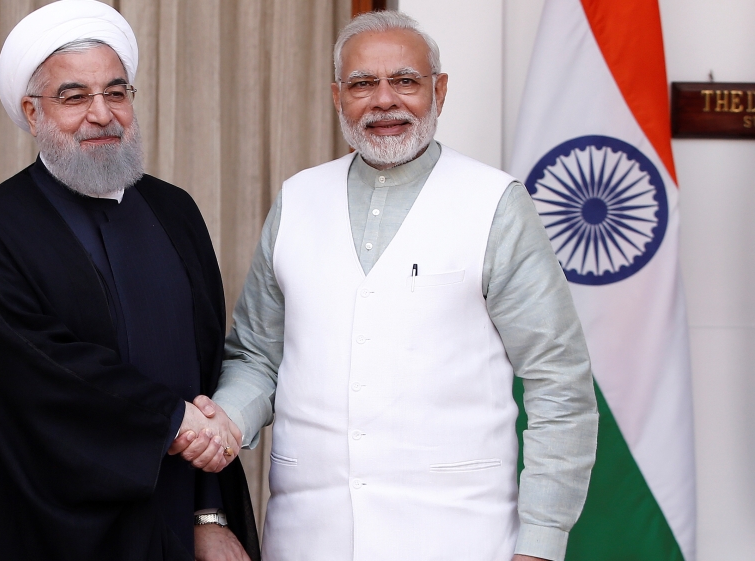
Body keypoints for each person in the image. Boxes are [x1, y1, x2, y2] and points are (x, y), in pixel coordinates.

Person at [204, 10, 599, 561]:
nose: (384, 100)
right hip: (308, 535)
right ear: (338, 97)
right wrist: (222, 423)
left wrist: (540, 543)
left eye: (405, 81)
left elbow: (560, 383)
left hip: (461, 536)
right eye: (364, 84)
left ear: (439, 90)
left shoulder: (495, 204)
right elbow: (256, 357)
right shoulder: (297, 200)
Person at [0, 2, 257, 560]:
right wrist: (172, 419)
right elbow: (38, 378)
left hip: (179, 519)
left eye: (116, 92)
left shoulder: (174, 211)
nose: (102, 114)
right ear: (33, 114)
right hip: (54, 530)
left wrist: (208, 514)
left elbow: (205, 372)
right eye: (74, 96)